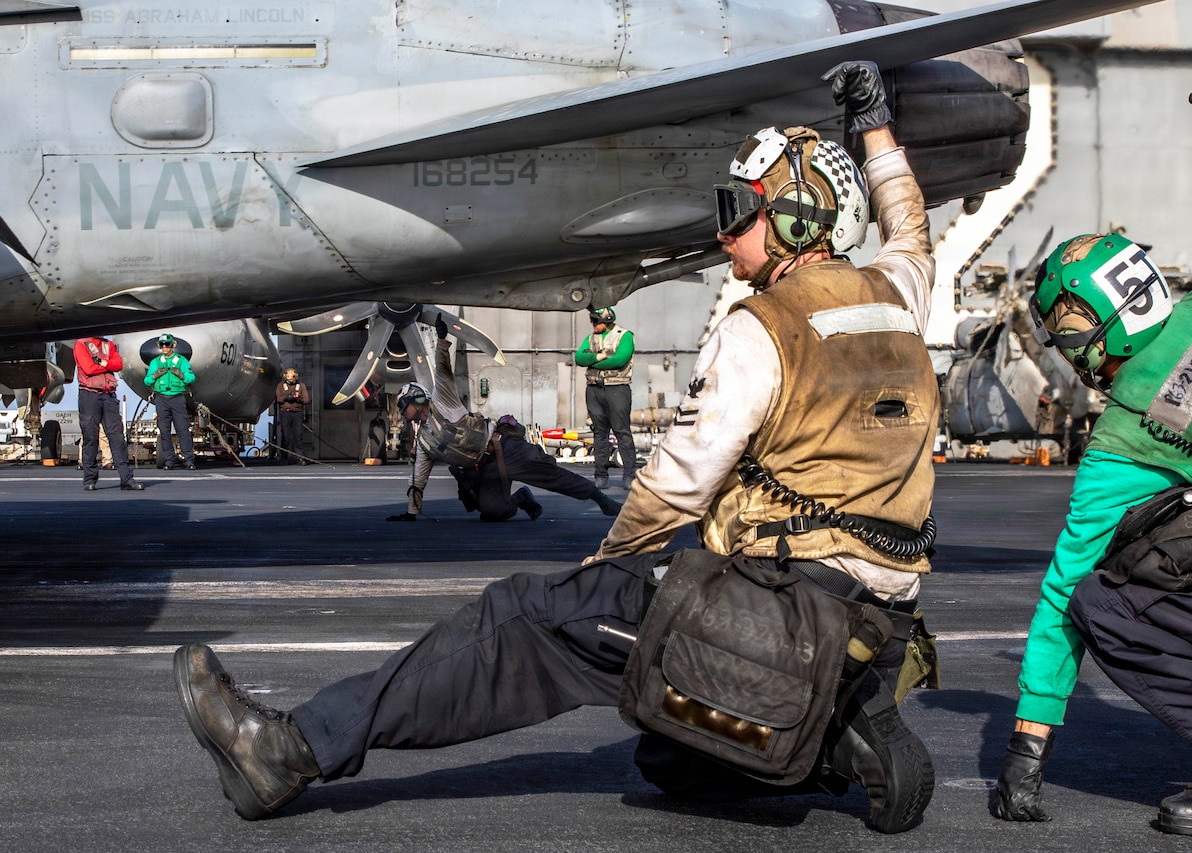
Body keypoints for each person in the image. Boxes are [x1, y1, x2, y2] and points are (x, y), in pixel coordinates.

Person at [174, 62, 939, 833]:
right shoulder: (899, 292)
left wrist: (599, 572)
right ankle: (846, 720)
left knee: (523, 619)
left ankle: (287, 749)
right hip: (880, 612)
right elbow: (907, 221)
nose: (723, 230)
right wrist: (875, 125)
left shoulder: (759, 331)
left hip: (778, 612)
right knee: (666, 763)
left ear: (797, 221)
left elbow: (675, 487)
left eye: (739, 211)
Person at [994, 45, 1192, 837]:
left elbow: (1063, 597)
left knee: (1106, 604)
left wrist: (1027, 744)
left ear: (1088, 334)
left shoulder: (1125, 440)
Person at [386, 317, 623, 522]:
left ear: (417, 400)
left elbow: (442, 371)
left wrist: (441, 342)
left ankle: (600, 498)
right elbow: (418, 476)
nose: (402, 411)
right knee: (492, 512)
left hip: (505, 448)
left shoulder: (442, 400)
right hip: (484, 468)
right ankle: (521, 498)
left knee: (553, 476)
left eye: (404, 405)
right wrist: (411, 512)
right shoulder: (425, 442)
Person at [574, 306, 637, 489]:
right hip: (594, 388)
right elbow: (579, 359)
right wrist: (602, 355)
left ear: (607, 321)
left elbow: (620, 360)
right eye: (592, 320)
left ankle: (629, 475)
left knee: (622, 432)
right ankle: (600, 476)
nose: (593, 324)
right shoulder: (591, 338)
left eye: (596, 321)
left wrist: (592, 360)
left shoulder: (624, 336)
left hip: (617, 388)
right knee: (599, 433)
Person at [73, 334, 143, 491]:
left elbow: (119, 365)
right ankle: (89, 480)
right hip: (89, 394)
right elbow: (88, 368)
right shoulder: (81, 344)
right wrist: (108, 365)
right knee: (90, 436)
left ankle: (127, 479)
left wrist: (103, 363)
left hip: (108, 395)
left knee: (117, 437)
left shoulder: (108, 345)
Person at [144, 333, 197, 470]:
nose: (164, 348)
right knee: (164, 430)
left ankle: (189, 460)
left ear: (172, 345)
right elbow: (147, 380)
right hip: (161, 398)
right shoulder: (155, 362)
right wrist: (155, 375)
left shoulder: (181, 361)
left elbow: (191, 378)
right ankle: (169, 460)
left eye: (167, 345)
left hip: (178, 398)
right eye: (162, 345)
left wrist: (181, 375)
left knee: (183, 429)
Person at [275, 366, 311, 465]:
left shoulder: (301, 386)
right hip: (285, 412)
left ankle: (300, 457)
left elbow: (306, 399)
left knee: (298, 435)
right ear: (285, 377)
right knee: (285, 436)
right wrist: (287, 397)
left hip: (297, 413)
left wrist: (299, 399)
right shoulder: (281, 386)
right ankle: (284, 457)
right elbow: (278, 398)